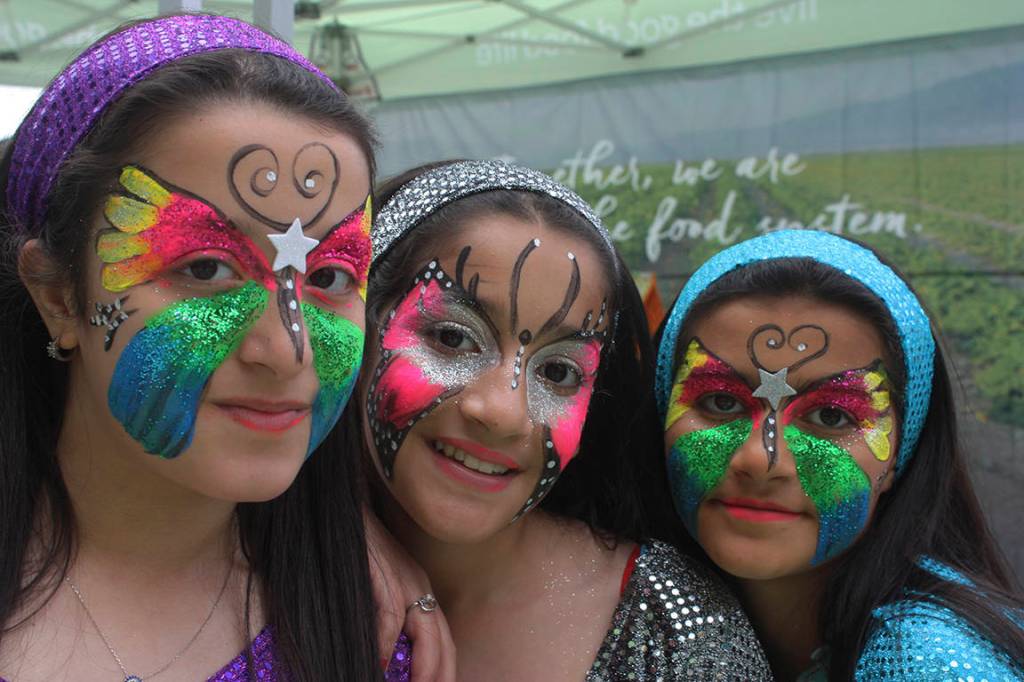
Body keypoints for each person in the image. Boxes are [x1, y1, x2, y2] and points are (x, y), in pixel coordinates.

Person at [0, 13, 413, 681]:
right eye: (204, 269)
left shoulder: (376, 633)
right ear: (56, 296)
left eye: (331, 277)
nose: (287, 351)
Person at [355, 159, 772, 680]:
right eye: (453, 338)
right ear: (359, 326)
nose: (505, 413)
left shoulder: (677, 630)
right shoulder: (251, 562)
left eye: (557, 371)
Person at [653, 229, 1024, 680]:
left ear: (900, 454)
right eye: (721, 402)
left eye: (831, 416)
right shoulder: (643, 618)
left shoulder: (929, 665)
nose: (760, 460)